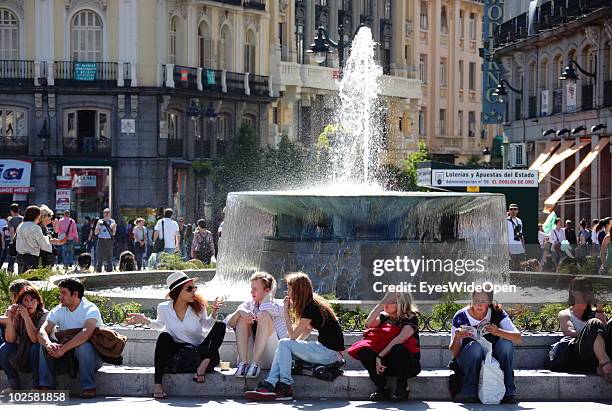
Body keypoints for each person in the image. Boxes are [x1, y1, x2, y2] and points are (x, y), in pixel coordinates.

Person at [245, 272, 345, 402]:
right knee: (284, 346)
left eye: (290, 289)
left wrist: (286, 311)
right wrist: (292, 348)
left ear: (298, 290)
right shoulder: (313, 304)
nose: (288, 292)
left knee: (284, 343)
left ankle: (285, 386)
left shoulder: (311, 307)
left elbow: (292, 336)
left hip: (330, 354)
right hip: (330, 353)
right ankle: (271, 383)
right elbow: (307, 330)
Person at [126, 272, 226, 399]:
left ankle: (204, 362)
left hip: (200, 351)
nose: (193, 291)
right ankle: (157, 384)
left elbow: (207, 325)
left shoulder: (198, 306)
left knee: (220, 326)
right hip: (181, 353)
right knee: (164, 337)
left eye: (194, 287)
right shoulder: (163, 308)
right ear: (177, 291)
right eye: (189, 289)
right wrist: (144, 319)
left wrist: (215, 312)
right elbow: (159, 325)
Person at [449, 289, 523, 404]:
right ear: (472, 300)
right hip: (468, 359)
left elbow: (518, 338)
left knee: (506, 344)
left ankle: (509, 392)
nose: (479, 304)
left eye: (483, 301)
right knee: (475, 347)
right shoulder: (461, 316)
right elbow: (454, 353)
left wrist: (498, 331)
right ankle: (470, 392)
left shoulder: (497, 312)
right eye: (476, 300)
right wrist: (457, 338)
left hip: (492, 360)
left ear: (489, 302)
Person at [348, 291, 421, 402]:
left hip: (407, 365)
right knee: (364, 350)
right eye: (385, 300)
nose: (386, 304)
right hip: (384, 366)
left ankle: (402, 388)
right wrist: (381, 303)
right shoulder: (384, 316)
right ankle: (383, 388)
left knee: (398, 348)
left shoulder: (411, 318)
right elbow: (368, 323)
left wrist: (379, 356)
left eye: (390, 301)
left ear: (401, 303)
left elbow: (400, 339)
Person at [37, 278, 104, 398]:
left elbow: (86, 333)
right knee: (44, 345)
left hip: (92, 359)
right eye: (60, 293)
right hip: (67, 357)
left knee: (84, 346)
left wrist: (63, 349)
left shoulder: (90, 309)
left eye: (63, 293)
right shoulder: (59, 309)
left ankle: (88, 387)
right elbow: (42, 331)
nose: (60, 296)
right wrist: (48, 344)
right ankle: (46, 385)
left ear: (75, 294)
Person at [226, 272, 287, 379]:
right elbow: (229, 323)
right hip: (249, 358)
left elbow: (265, 308)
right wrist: (240, 311)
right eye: (251, 288)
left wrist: (269, 295)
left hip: (272, 358)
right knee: (241, 317)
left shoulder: (279, 305)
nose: (251, 292)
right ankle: (243, 364)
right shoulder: (248, 304)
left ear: (267, 290)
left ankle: (255, 364)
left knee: (263, 315)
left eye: (255, 289)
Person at [553, 277, 612, 381]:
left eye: (589, 289)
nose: (587, 292)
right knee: (594, 323)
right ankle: (605, 365)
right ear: (572, 292)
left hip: (600, 352)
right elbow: (569, 332)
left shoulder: (596, 312)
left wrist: (599, 308)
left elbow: (605, 332)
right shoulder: (565, 314)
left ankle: (603, 364)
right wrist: (591, 331)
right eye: (582, 289)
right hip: (580, 353)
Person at [0, 286, 48, 393]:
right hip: (23, 349)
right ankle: (13, 384)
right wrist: (9, 319)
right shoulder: (18, 315)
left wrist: (27, 318)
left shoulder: (44, 315)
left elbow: (35, 339)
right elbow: (10, 339)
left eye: (33, 300)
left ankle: (36, 385)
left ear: (38, 301)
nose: (30, 303)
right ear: (20, 304)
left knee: (35, 348)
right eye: (26, 300)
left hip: (40, 352)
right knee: (4, 349)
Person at [15, 206, 60, 274]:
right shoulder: (35, 227)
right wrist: (50, 240)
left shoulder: (21, 225)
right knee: (32, 280)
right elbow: (43, 244)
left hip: (20, 256)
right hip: (31, 257)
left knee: (22, 279)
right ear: (36, 216)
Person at [507, 204, 525, 270]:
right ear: (509, 211)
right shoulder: (506, 220)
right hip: (509, 246)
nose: (513, 211)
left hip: (518, 246)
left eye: (515, 209)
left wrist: (523, 248)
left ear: (517, 211)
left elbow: (521, 235)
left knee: (518, 267)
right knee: (511, 267)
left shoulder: (519, 221)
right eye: (511, 209)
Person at [6, 204, 23, 273]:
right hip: (22, 242)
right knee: (21, 261)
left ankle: (10, 276)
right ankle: (21, 275)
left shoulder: (11, 220)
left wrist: (12, 242)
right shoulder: (23, 219)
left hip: (14, 242)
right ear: (19, 210)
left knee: (11, 261)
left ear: (11, 211)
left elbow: (12, 233)